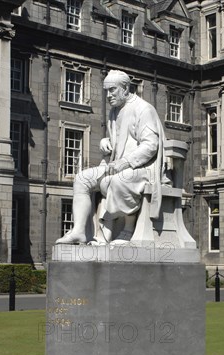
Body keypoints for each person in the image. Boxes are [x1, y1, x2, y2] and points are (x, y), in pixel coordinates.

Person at [56, 69, 164, 245]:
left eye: (112, 89)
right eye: (106, 90)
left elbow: (151, 145)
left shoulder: (144, 109)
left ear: (126, 88)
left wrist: (126, 162)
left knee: (118, 180)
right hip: (116, 164)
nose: (108, 95)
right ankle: (79, 232)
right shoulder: (114, 112)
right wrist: (106, 141)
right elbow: (121, 140)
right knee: (82, 179)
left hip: (142, 167)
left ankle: (127, 231)